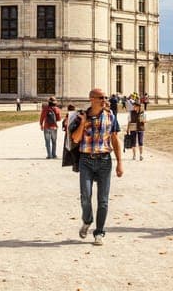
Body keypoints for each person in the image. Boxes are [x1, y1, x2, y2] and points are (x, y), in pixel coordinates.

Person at [75, 88, 124, 245]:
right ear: (91, 99)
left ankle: (99, 232)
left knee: (103, 200)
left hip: (104, 160)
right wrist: (82, 123)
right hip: (86, 160)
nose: (104, 100)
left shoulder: (110, 116)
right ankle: (87, 220)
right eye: (101, 97)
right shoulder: (81, 116)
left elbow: (115, 139)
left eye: (105, 97)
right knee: (85, 197)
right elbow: (75, 139)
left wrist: (119, 163)